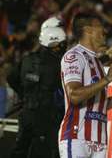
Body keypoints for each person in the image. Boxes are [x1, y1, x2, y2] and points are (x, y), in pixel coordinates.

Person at [58, 13, 112, 158]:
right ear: (88, 30)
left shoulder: (97, 62)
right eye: (100, 27)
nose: (105, 31)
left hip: (99, 141)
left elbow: (100, 105)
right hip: (76, 138)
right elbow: (74, 95)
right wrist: (106, 80)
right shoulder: (73, 56)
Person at [7, 26, 67, 158]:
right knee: (49, 151)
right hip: (47, 117)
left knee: (20, 149)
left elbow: (10, 78)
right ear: (56, 45)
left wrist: (24, 94)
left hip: (27, 113)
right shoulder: (58, 64)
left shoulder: (27, 59)